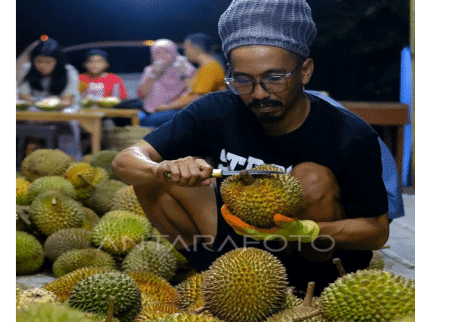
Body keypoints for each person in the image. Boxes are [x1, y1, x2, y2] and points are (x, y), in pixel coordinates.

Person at [111, 0, 390, 295]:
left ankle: (307, 290)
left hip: (311, 256)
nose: (259, 93)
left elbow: (377, 231)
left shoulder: (349, 134)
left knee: (311, 178)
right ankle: (219, 277)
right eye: (243, 81)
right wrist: (164, 169)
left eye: (274, 78)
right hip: (241, 248)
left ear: (305, 71)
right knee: (150, 182)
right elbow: (125, 161)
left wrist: (305, 230)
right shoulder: (217, 109)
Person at [140, 33, 227, 127]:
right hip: (191, 110)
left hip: (200, 113)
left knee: (146, 122)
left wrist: (167, 107)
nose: (185, 53)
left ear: (196, 49)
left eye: (186, 49)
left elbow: (197, 97)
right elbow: (193, 90)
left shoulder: (210, 68)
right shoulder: (204, 67)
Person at [16, 38, 82, 160]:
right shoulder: (27, 69)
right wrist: (38, 103)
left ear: (57, 61)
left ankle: (68, 158)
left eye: (48, 62)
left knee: (67, 121)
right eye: (39, 61)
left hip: (61, 112)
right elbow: (23, 96)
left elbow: (67, 101)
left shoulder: (69, 72)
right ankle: (22, 158)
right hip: (35, 113)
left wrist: (38, 102)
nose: (42, 66)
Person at [114, 39, 196, 125]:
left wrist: (183, 74)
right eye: (157, 53)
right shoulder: (150, 70)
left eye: (166, 52)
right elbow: (141, 95)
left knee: (145, 122)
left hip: (175, 109)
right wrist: (153, 76)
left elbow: (193, 92)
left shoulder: (184, 67)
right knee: (128, 119)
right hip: (150, 111)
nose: (162, 55)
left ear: (174, 53)